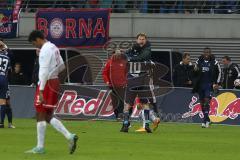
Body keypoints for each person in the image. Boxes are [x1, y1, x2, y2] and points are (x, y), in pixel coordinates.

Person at [26, 30, 78, 154]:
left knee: (40, 114)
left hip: (47, 84)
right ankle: (69, 136)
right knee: (48, 115)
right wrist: (54, 74)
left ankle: (40, 147)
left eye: (34, 43)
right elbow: (62, 66)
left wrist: (41, 90)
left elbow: (43, 72)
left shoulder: (44, 50)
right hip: (54, 82)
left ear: (38, 39)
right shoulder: (53, 46)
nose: (35, 46)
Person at [121, 33, 160, 133]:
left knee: (128, 104)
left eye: (143, 39)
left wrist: (127, 57)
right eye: (140, 39)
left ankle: (126, 124)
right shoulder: (144, 54)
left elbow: (125, 57)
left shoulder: (132, 53)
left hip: (134, 80)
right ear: (137, 40)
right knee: (144, 103)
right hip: (141, 80)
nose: (141, 41)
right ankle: (146, 123)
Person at [192, 47, 221, 128]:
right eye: (205, 52)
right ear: (203, 53)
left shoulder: (214, 62)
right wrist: (195, 70)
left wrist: (217, 83)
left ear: (210, 53)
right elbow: (194, 71)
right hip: (200, 85)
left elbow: (219, 72)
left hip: (209, 85)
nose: (206, 54)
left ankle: (204, 122)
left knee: (207, 101)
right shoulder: (199, 61)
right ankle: (207, 119)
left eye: (208, 52)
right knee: (201, 103)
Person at [102, 49, 128, 120]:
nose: (118, 55)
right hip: (112, 85)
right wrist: (107, 81)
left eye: (119, 54)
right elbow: (104, 73)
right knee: (115, 101)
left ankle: (120, 115)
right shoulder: (109, 62)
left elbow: (127, 74)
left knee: (121, 100)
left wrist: (126, 82)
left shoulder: (124, 62)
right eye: (116, 54)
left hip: (122, 85)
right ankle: (117, 115)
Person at [0, 40, 14, 128]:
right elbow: (9, 71)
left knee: (6, 102)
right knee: (3, 102)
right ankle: (1, 123)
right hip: (4, 79)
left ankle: (9, 123)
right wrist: (5, 46)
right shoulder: (7, 57)